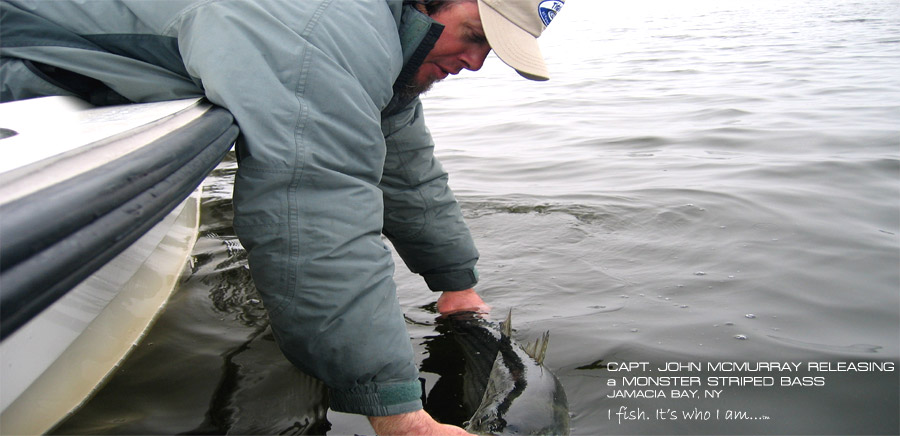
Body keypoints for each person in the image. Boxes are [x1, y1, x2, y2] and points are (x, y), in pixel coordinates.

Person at [0, 0, 563, 433]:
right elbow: (314, 210)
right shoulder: (323, 29)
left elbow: (407, 172)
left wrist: (457, 285)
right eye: (477, 37)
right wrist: (396, 411)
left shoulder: (379, 44)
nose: (474, 63)